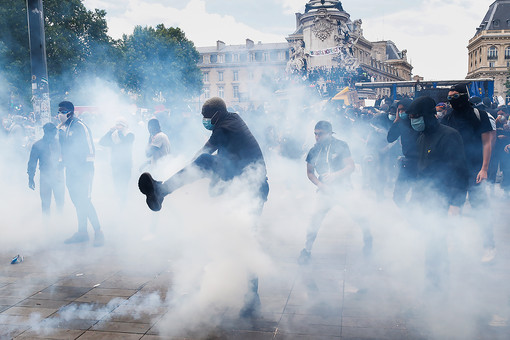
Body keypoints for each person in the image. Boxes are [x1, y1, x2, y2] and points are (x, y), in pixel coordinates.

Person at [138, 97, 269, 318]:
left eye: (206, 116)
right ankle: (231, 288)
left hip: (251, 188)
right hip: (242, 183)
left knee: (246, 240)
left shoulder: (225, 127)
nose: (203, 120)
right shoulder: (232, 120)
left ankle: (161, 191)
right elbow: (228, 157)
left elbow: (204, 153)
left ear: (216, 115)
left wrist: (189, 169)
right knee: (234, 238)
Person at [407, 96, 469, 290]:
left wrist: (455, 203)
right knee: (431, 242)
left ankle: (438, 287)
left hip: (444, 198)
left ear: (428, 115)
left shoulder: (449, 136)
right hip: (427, 198)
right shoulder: (422, 137)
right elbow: (421, 170)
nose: (413, 120)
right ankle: (432, 282)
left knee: (438, 242)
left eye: (416, 116)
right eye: (411, 116)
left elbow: (459, 171)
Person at [298, 121, 372, 264]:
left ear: (330, 133)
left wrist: (335, 176)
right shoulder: (313, 150)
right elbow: (310, 173)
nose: (317, 137)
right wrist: (320, 185)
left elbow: (350, 167)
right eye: (315, 134)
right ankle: (306, 250)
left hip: (343, 189)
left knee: (358, 215)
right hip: (325, 191)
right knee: (315, 220)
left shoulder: (341, 145)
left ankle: (368, 240)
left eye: (320, 134)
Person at [442, 84, 496, 262]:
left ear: (464, 96)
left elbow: (487, 142)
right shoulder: (448, 117)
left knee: (480, 208)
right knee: (453, 208)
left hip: (475, 170)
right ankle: (453, 243)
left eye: (455, 96)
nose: (451, 100)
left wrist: (484, 168)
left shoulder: (479, 115)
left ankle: (489, 247)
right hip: (454, 170)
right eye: (449, 96)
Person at [57, 101, 104, 246]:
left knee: (85, 200)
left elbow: (90, 149)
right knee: (76, 200)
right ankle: (82, 232)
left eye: (62, 111)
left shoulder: (80, 126)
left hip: (84, 170)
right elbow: (63, 150)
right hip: (71, 170)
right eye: (59, 111)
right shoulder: (62, 128)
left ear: (70, 112)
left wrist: (86, 170)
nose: (60, 114)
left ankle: (98, 232)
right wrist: (61, 163)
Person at [27, 122, 64, 215]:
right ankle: (47, 226)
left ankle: (61, 222)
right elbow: (32, 163)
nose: (54, 135)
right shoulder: (38, 145)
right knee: (45, 203)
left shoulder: (59, 143)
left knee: (60, 202)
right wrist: (31, 178)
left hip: (58, 176)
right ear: (45, 132)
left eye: (55, 133)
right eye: (52, 133)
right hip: (45, 177)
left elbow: (66, 157)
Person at [387, 98, 419, 205]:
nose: (401, 112)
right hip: (407, 163)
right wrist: (396, 121)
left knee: (418, 197)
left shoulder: (419, 122)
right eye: (399, 110)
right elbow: (390, 138)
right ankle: (409, 216)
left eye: (403, 110)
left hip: (421, 164)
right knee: (398, 196)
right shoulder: (401, 123)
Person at [99, 117, 135, 199]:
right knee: (117, 185)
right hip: (115, 164)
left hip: (126, 165)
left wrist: (119, 132)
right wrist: (110, 132)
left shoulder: (130, 134)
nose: (118, 127)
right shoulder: (113, 136)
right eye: (117, 125)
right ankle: (119, 203)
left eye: (121, 125)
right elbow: (102, 142)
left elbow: (125, 143)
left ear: (125, 126)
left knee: (124, 185)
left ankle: (124, 203)